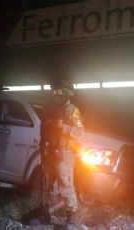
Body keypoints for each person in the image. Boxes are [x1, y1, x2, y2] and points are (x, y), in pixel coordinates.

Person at [40, 79, 84, 228]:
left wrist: (63, 127)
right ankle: (45, 214)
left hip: (64, 154)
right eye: (54, 92)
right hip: (50, 151)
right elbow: (45, 129)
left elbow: (79, 132)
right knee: (46, 183)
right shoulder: (52, 109)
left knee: (65, 184)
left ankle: (70, 220)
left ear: (66, 94)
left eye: (59, 92)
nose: (56, 94)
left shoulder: (72, 110)